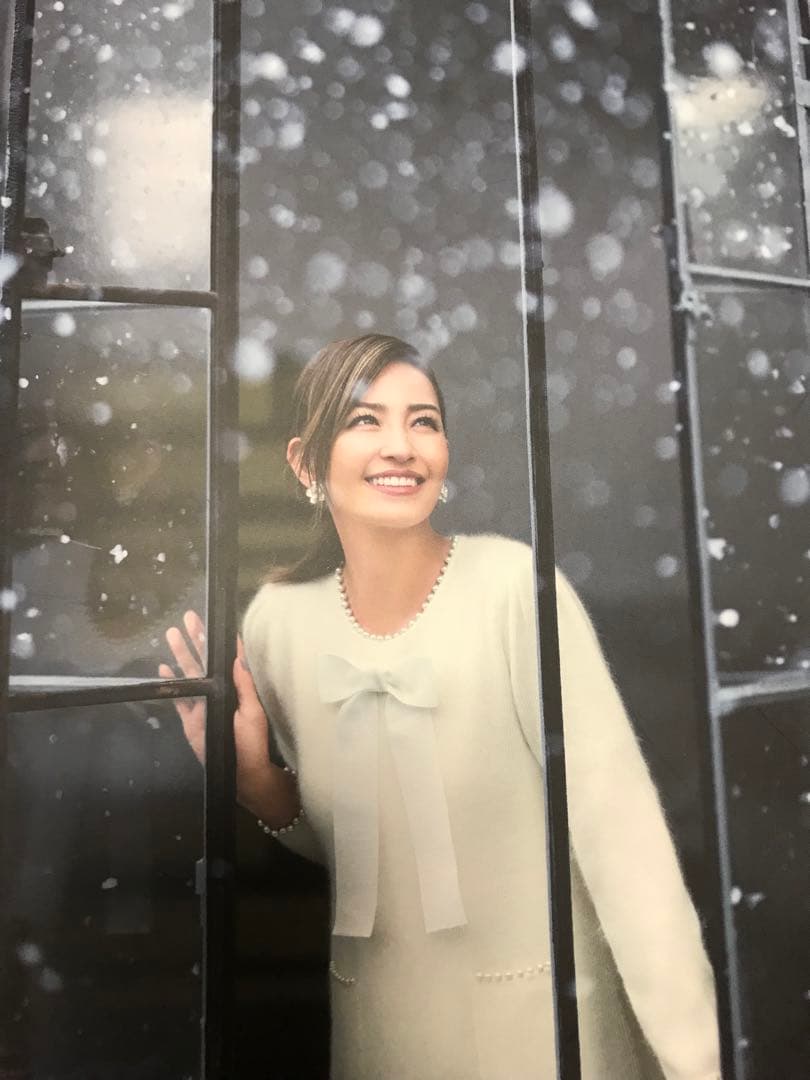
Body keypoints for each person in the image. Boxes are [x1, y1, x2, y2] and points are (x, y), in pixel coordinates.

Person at [162, 334, 721, 1079]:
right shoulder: (277, 624)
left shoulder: (514, 590)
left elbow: (623, 841)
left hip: (545, 1033)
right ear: (304, 461)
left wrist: (697, 1061)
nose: (402, 446)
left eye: (423, 421)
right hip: (379, 1033)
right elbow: (367, 849)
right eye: (365, 420)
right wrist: (255, 782)